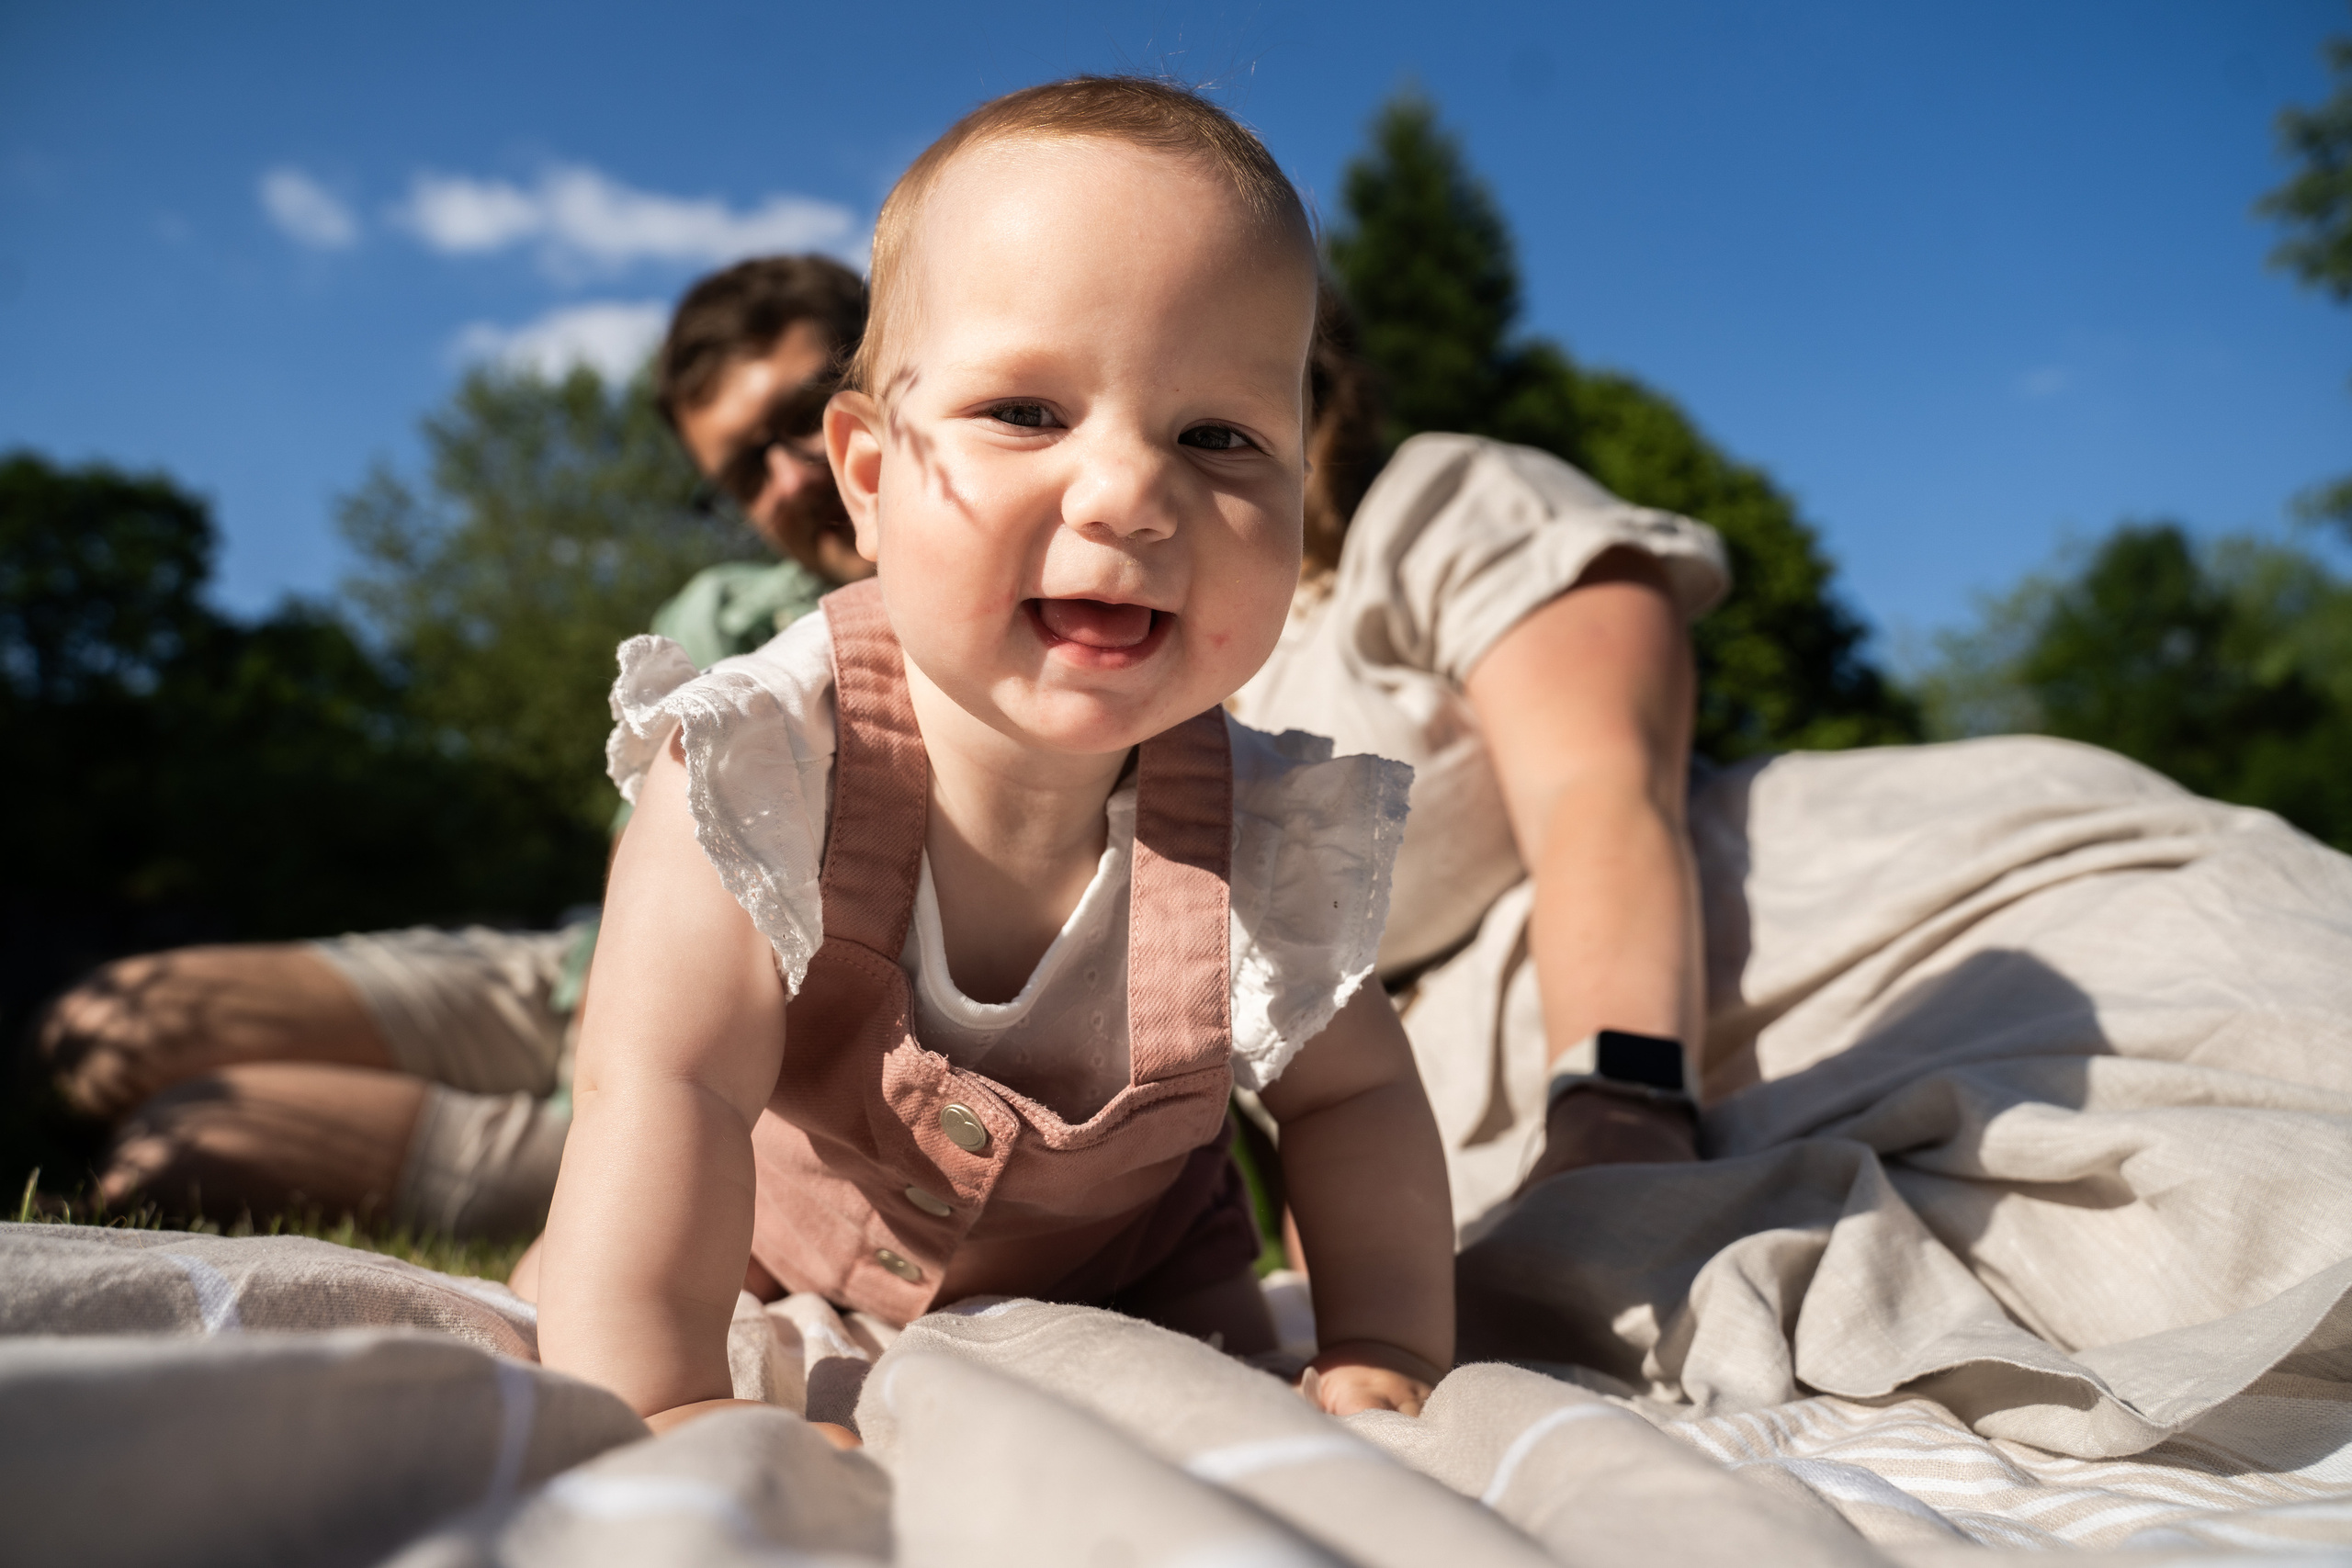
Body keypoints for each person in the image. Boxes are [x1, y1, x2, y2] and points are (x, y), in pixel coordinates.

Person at [519, 77, 1455, 1431]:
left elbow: (1355, 1093)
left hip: (1133, 1288)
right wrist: (656, 1394)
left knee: (1201, 1434)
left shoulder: (1259, 826)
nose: (1131, 493)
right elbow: (664, 1079)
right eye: (1027, 410)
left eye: (1219, 436)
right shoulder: (762, 764)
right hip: (773, 1239)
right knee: (575, 1288)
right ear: (871, 475)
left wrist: (1381, 1337)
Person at [36, 254, 869, 1239]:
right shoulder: (716, 613)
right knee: (100, 1026)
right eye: (740, 471)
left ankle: (569, 1169)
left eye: (800, 414)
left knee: (175, 1147)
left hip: (726, 1085)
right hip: (573, 977)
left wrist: (630, 1110)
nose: (791, 476)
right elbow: (637, 881)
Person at [1234, 299, 1729, 1236]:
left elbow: (1602, 791)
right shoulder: (1147, 691)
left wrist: (1624, 1104)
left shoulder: (1438, 515)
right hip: (1422, 1157)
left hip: (1679, 1023)